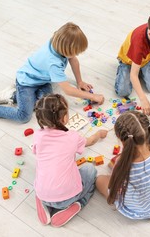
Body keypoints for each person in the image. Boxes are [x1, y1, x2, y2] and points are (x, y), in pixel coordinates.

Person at [0, 22, 104, 127]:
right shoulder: (53, 62)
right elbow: (67, 90)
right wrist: (93, 96)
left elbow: (73, 60)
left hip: (42, 80)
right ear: (65, 49)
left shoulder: (58, 40)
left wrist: (80, 82)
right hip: (26, 83)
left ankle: (12, 96)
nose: (76, 55)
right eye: (75, 52)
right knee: (24, 116)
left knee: (47, 108)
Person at [32, 94, 108, 227]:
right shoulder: (72, 137)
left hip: (43, 193)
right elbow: (89, 141)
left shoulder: (38, 135)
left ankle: (43, 202)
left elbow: (38, 152)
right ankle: (77, 204)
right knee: (90, 170)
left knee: (42, 175)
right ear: (64, 118)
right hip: (67, 198)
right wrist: (98, 134)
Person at [96, 111, 150, 219]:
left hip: (136, 210)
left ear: (121, 140)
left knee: (99, 180)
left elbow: (113, 190)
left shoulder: (121, 165)